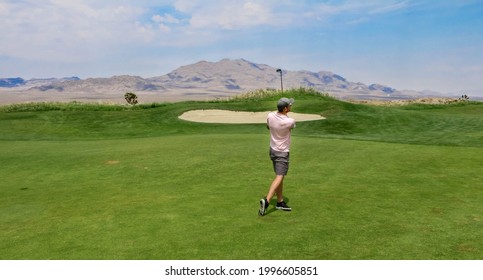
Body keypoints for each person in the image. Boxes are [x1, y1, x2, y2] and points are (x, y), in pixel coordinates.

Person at [259, 97, 295, 216]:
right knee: (280, 176)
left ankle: (280, 202)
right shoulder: (290, 121)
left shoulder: (270, 116)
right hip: (282, 152)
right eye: (289, 105)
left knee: (279, 176)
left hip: (273, 150)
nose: (291, 107)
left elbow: (268, 126)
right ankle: (267, 200)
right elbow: (291, 127)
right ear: (285, 108)